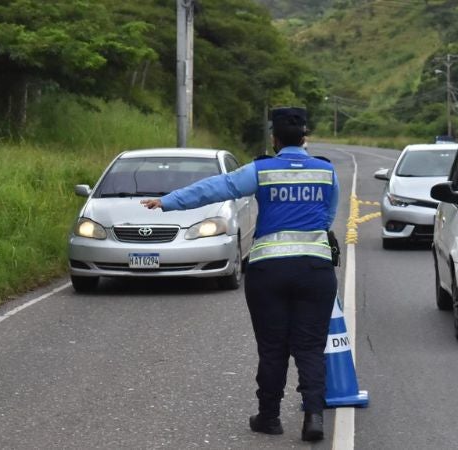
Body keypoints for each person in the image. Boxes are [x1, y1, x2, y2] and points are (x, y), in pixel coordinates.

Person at [141, 107, 339, 442]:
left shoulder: (261, 170)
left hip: (269, 272)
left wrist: (168, 202)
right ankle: (314, 417)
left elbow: (215, 188)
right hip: (315, 270)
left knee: (273, 346)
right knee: (309, 346)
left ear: (274, 139)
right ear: (304, 138)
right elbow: (328, 216)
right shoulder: (325, 171)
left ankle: (269, 417)